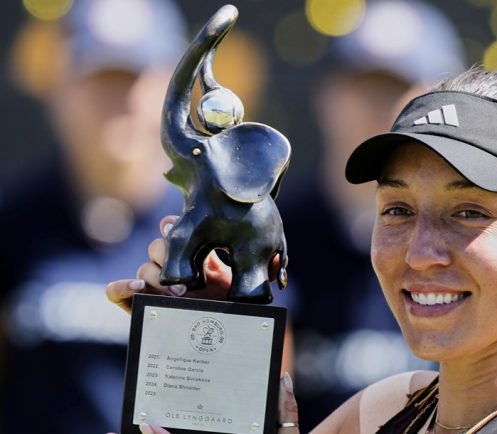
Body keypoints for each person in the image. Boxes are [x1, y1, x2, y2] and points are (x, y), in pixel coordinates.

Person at [107, 67, 497, 434]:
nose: (422, 251)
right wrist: (205, 347)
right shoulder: (386, 409)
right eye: (398, 210)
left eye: (469, 212)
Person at [0, 0, 288, 432]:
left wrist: (223, 322)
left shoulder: (226, 228)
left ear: (167, 92)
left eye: (135, 79)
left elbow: (265, 403)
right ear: (59, 87)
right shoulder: (13, 224)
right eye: (101, 78)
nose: (120, 100)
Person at [278, 0, 464, 428]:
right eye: (363, 86)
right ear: (325, 96)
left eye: (397, 89)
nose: (378, 107)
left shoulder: (475, 244)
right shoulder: (275, 234)